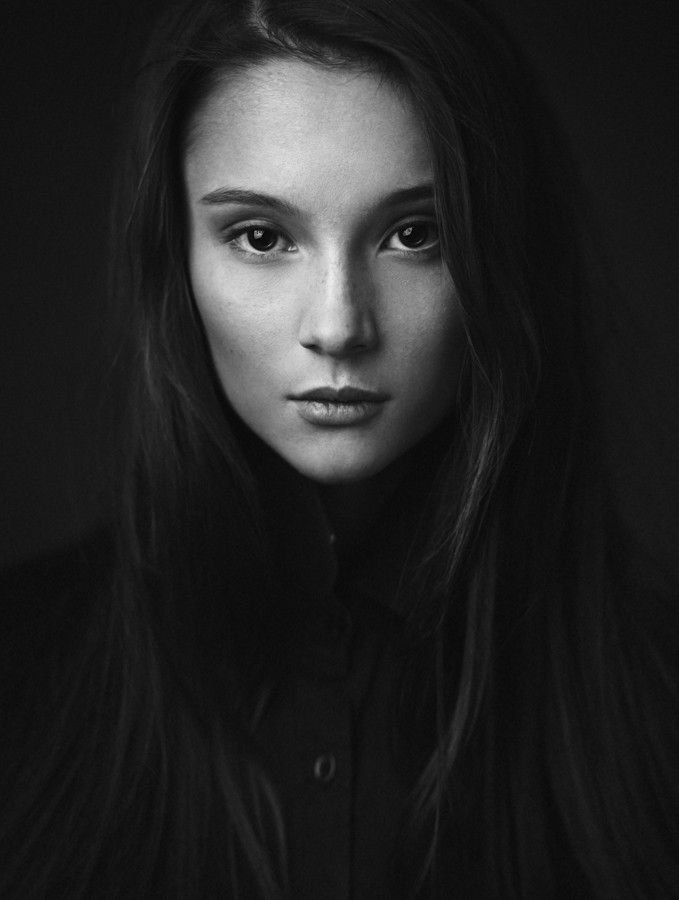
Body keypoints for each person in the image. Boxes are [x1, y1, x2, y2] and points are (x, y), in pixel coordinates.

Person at [1, 0, 677, 897]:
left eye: (414, 235)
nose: (338, 326)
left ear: (502, 255)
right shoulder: (22, 672)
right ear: (177, 258)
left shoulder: (653, 703)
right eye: (261, 237)